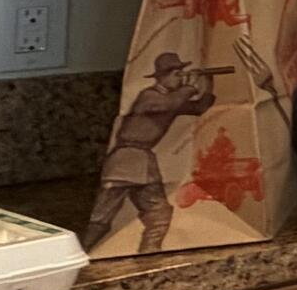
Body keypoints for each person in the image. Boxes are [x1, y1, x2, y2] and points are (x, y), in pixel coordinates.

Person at [86, 52, 226, 254]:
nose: (180, 77)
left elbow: (199, 107)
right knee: (101, 217)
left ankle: (149, 253)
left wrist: (208, 82)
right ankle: (81, 251)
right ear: (162, 76)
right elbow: (168, 104)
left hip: (143, 161)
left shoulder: (172, 99)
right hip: (126, 158)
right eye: (176, 73)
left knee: (159, 214)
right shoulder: (150, 96)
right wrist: (190, 87)